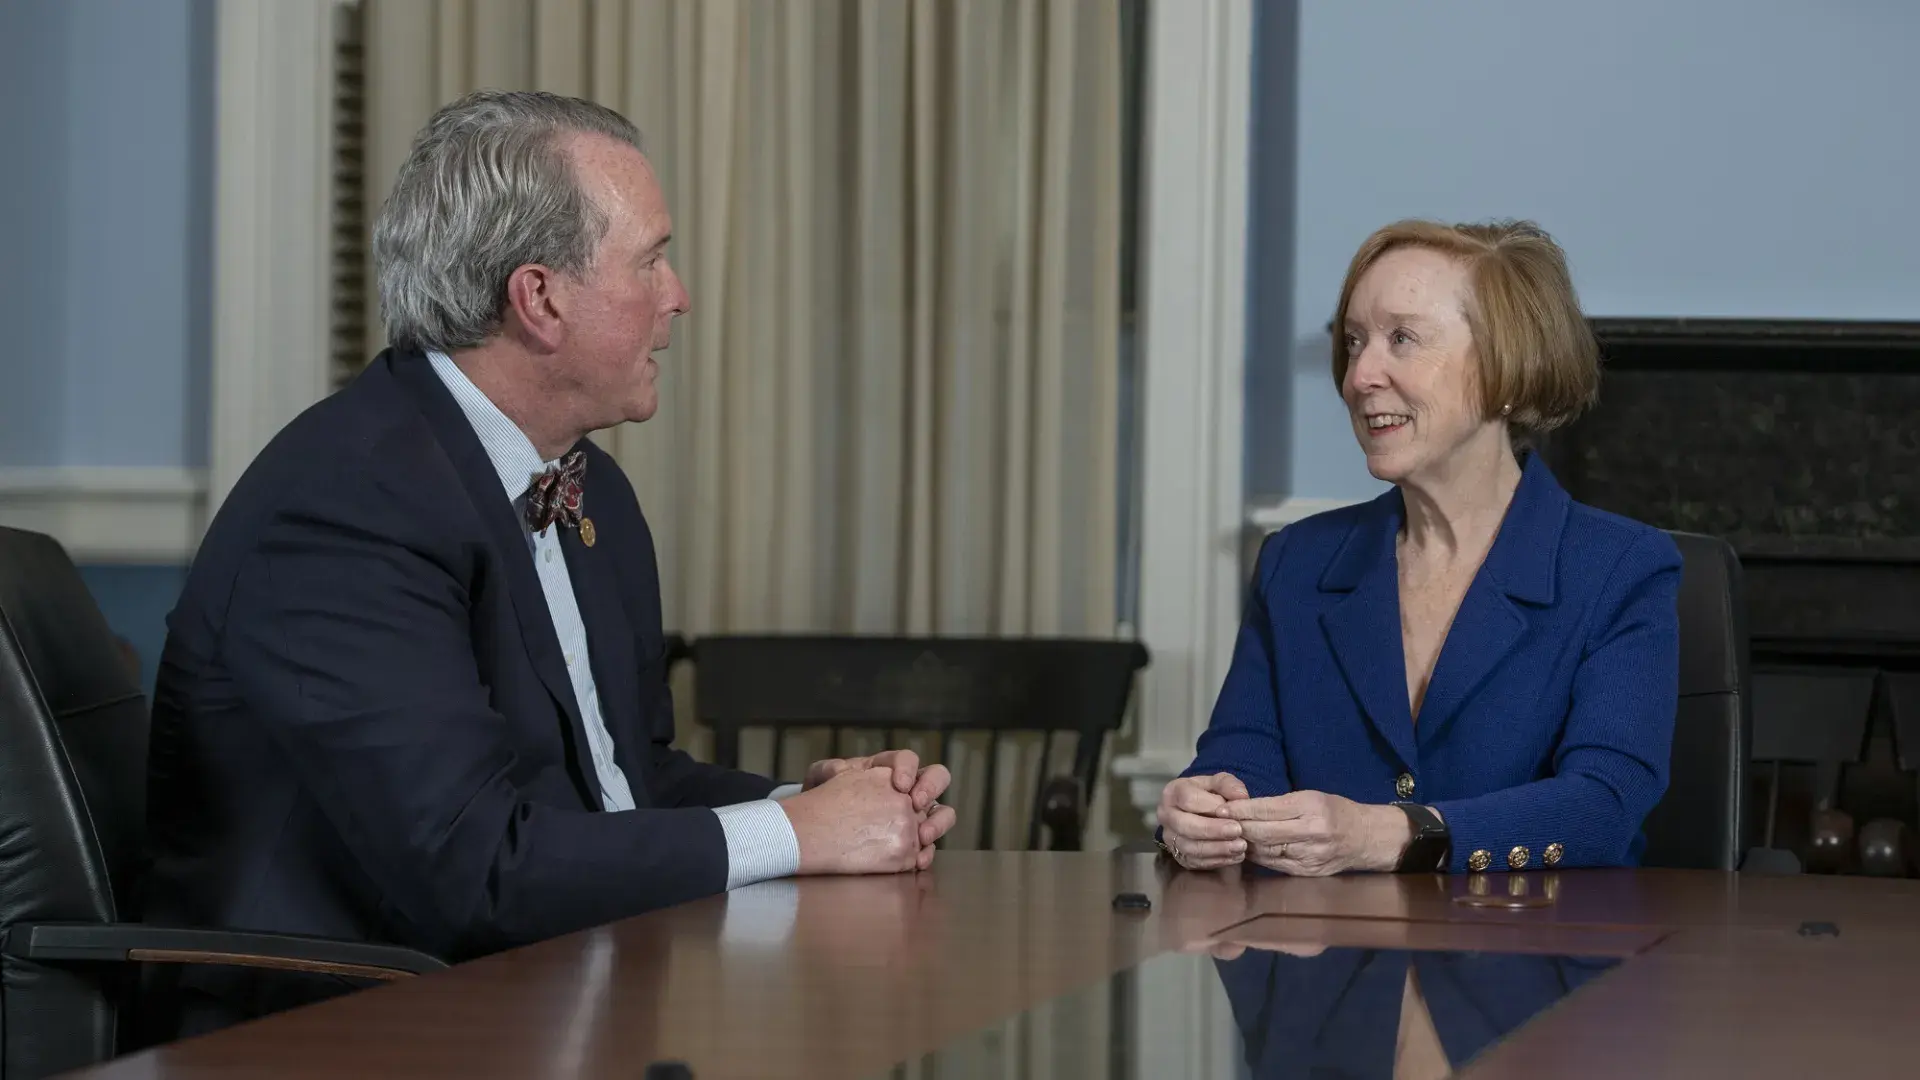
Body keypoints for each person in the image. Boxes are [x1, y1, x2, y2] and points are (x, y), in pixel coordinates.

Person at [144, 89, 957, 1030]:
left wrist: (815, 803)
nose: (679, 296)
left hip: (542, 1001)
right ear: (540, 298)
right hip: (335, 1030)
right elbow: (476, 871)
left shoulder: (585, 485)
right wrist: (794, 836)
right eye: (651, 261)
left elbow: (623, 780)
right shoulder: (347, 506)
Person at [1156, 219, 1681, 877]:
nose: (1359, 375)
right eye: (1354, 342)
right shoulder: (1297, 562)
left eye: (1402, 339)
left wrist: (1404, 834)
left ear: (1509, 373)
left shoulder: (1618, 570)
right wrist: (1202, 811)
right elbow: (1241, 761)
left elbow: (1603, 806)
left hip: (1539, 967)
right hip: (1320, 962)